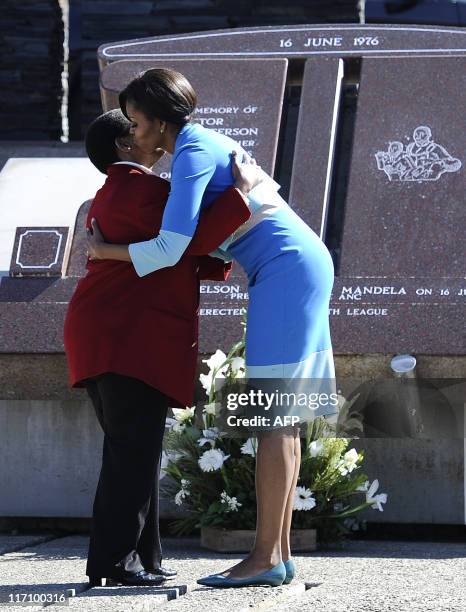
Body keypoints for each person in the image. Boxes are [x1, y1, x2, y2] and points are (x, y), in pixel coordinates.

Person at [86, 69, 336, 588]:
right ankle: (280, 557)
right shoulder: (196, 147)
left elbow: (172, 247)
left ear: (159, 121)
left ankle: (265, 558)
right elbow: (199, 241)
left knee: (273, 416)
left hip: (286, 268)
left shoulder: (194, 153)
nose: (132, 134)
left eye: (135, 123)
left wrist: (106, 251)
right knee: (282, 415)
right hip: (294, 264)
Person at [64, 108, 260, 587]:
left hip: (108, 334)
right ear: (125, 146)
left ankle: (143, 557)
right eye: (137, 127)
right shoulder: (143, 189)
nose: (151, 130)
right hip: (130, 337)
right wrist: (241, 194)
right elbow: (188, 241)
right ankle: (115, 563)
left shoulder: (113, 192)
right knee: (132, 452)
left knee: (135, 451)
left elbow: (172, 249)